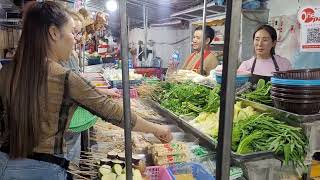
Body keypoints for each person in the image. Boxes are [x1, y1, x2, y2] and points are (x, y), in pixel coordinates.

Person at [0, 2, 172, 180]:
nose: (75, 39)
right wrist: (156, 129)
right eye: (72, 33)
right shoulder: (64, 77)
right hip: (43, 171)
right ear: (53, 33)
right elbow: (113, 112)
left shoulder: (6, 72)